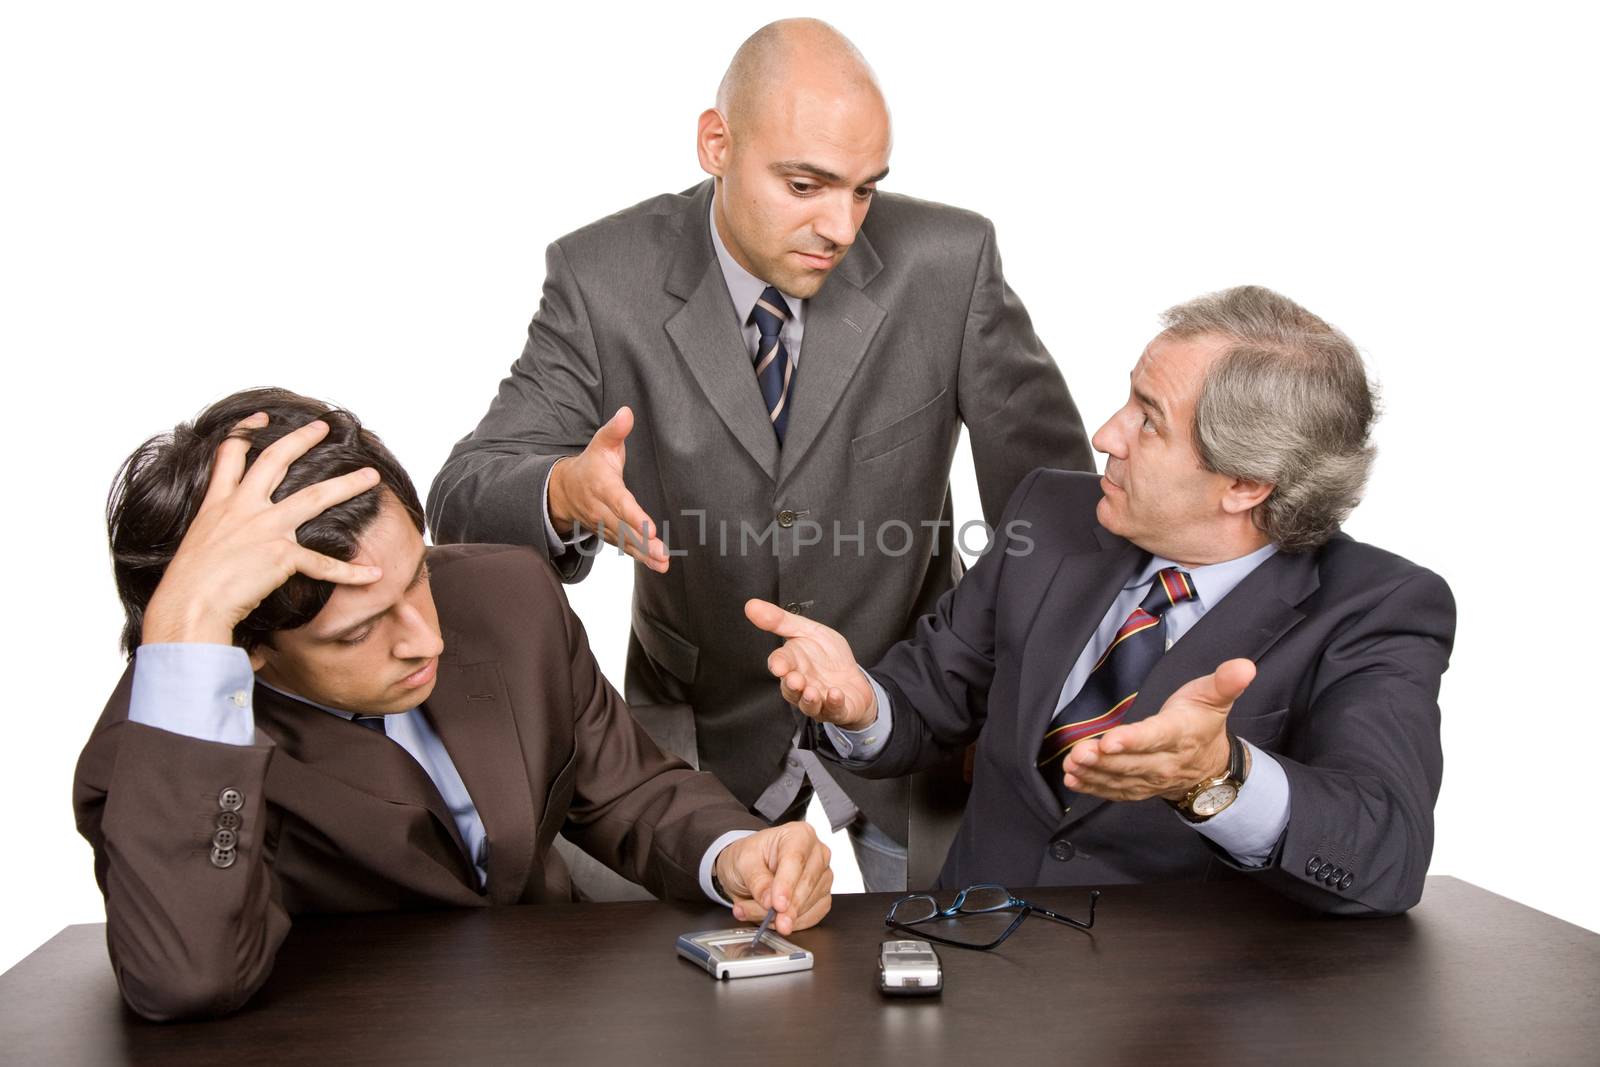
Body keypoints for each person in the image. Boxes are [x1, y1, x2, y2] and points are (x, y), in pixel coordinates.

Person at [426, 19, 1093, 891]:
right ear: (716, 144)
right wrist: (562, 492)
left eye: (864, 191)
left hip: (913, 721)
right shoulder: (600, 278)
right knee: (663, 1001)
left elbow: (1056, 514)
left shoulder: (949, 264)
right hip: (695, 731)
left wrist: (998, 701)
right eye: (806, 184)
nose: (840, 225)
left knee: (950, 982)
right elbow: (461, 498)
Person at [73, 388, 833, 1022]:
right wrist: (185, 635)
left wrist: (735, 850)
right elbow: (187, 973)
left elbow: (628, 789)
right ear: (245, 642)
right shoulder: (157, 752)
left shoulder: (508, 592)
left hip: (550, 1021)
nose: (423, 638)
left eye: (415, 577)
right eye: (361, 628)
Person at [747, 285, 1454, 916]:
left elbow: (1385, 854)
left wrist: (1218, 778)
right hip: (966, 962)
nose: (1105, 435)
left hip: (1180, 1019)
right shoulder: (1050, 514)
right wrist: (864, 705)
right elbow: (933, 694)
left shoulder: (1379, 607)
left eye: (1149, 421)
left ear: (1245, 483)